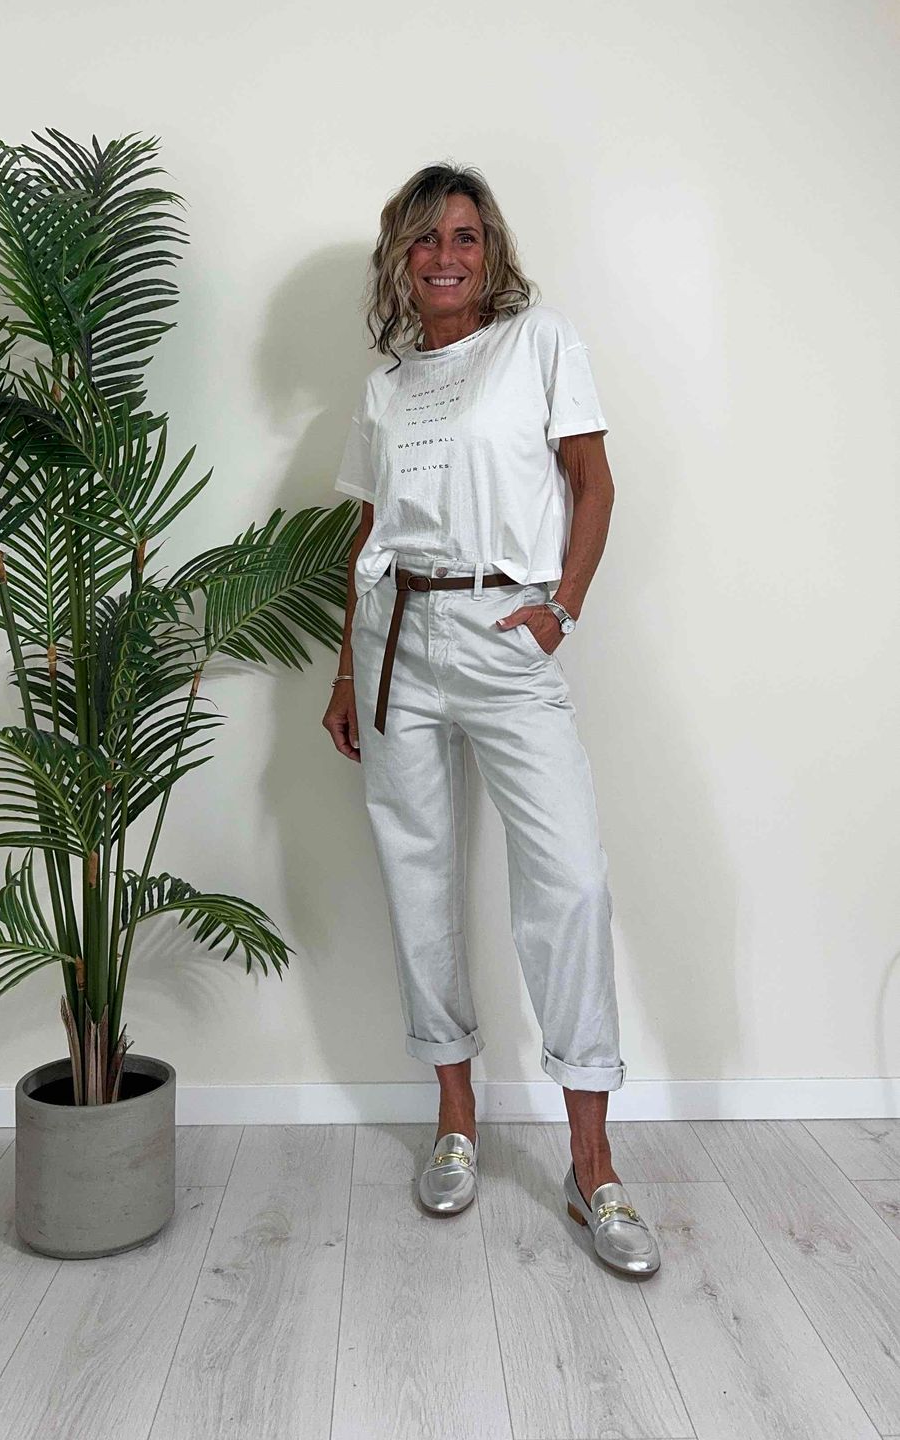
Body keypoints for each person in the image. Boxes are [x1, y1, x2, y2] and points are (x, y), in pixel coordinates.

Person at [322, 162, 660, 1277]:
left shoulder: (538, 343)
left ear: (490, 249)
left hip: (504, 630)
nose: (444, 256)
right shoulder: (384, 388)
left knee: (569, 882)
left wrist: (562, 607)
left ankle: (591, 1166)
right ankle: (455, 1122)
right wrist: (344, 671)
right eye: (424, 239)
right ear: (400, 258)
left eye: (463, 235)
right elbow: (366, 532)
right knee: (416, 874)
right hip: (395, 643)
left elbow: (592, 483)